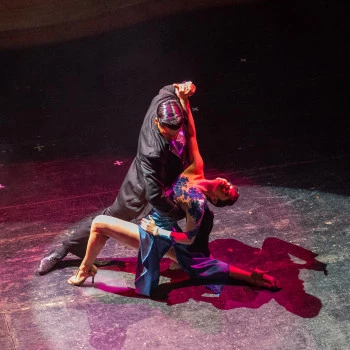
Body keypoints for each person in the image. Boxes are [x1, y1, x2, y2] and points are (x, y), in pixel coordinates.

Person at [67, 84, 281, 295]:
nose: (228, 186)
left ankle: (85, 270)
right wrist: (185, 101)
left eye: (227, 193)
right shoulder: (195, 168)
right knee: (192, 260)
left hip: (154, 230)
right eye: (231, 186)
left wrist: (157, 231)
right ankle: (250, 276)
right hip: (156, 217)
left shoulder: (197, 203)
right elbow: (192, 135)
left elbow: (188, 237)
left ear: (214, 200)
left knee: (99, 224)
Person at [37, 81, 206, 275]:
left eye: (176, 133)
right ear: (157, 122)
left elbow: (167, 89)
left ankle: (183, 258)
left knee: (171, 227)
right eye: (168, 135)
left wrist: (184, 86)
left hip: (165, 186)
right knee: (108, 218)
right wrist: (179, 213)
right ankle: (62, 250)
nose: (173, 138)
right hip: (140, 190)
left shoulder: (165, 102)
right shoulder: (152, 150)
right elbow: (154, 195)